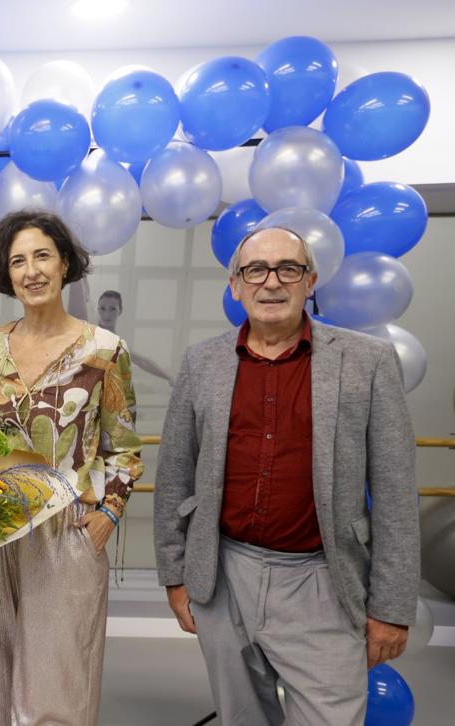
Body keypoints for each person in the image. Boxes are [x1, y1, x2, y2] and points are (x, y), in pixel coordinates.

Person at [154, 226, 419, 725]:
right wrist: (175, 576)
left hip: (323, 580)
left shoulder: (367, 362)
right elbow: (174, 475)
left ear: (310, 281)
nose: (271, 282)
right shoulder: (202, 362)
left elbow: (395, 493)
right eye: (255, 270)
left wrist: (392, 606)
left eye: (288, 269)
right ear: (235, 285)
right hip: (222, 577)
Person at [0, 210, 144, 726]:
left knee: (59, 689)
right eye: (18, 260)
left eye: (42, 256)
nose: (32, 271)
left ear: (65, 263)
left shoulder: (104, 350)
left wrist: (106, 516)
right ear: (8, 274)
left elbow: (125, 447)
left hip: (68, 532)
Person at [95, 290, 174, 384]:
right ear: (97, 309)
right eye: (102, 308)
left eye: (112, 309)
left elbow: (142, 361)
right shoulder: (89, 335)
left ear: (120, 311)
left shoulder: (117, 342)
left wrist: (168, 377)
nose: (107, 314)